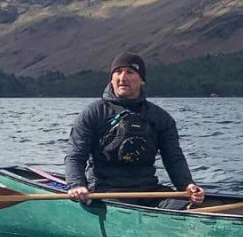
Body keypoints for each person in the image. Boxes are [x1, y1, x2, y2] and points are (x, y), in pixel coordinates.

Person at [64, 52, 205, 209]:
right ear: (111, 78)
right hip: (106, 192)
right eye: (118, 72)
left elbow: (174, 159)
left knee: (186, 207)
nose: (122, 77)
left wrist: (187, 185)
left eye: (130, 72)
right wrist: (76, 184)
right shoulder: (92, 113)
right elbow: (75, 156)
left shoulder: (160, 118)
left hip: (149, 190)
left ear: (142, 80)